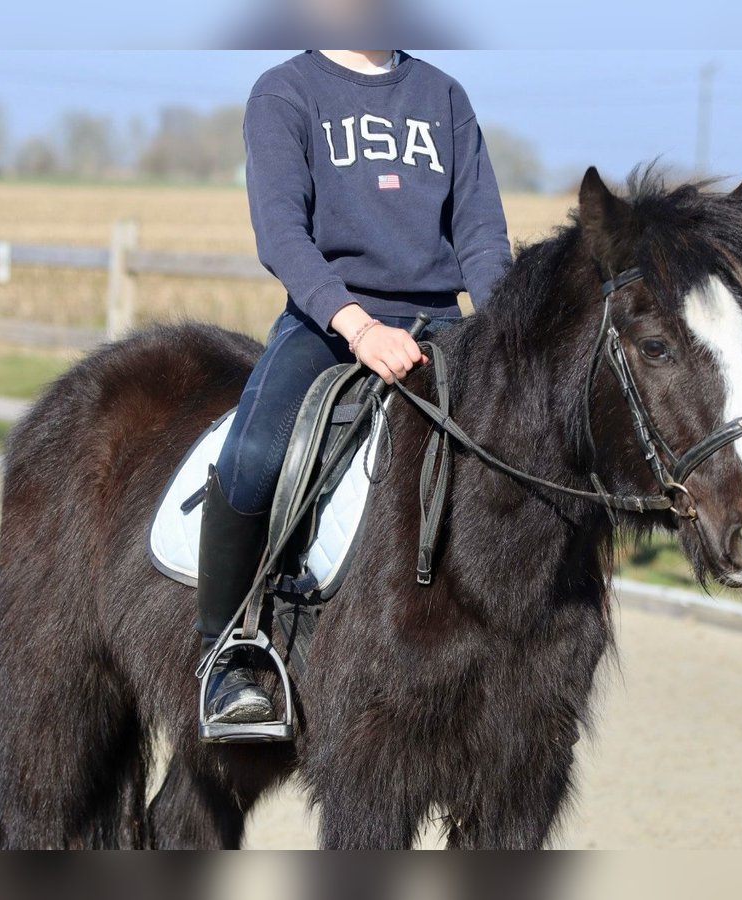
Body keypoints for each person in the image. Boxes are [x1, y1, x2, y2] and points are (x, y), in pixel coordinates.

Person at [197, 49, 512, 727]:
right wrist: (359, 326)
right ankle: (227, 654)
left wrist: (505, 329)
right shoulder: (284, 92)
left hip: (443, 328)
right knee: (253, 458)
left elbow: (482, 231)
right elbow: (281, 234)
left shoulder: (444, 95)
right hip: (328, 320)